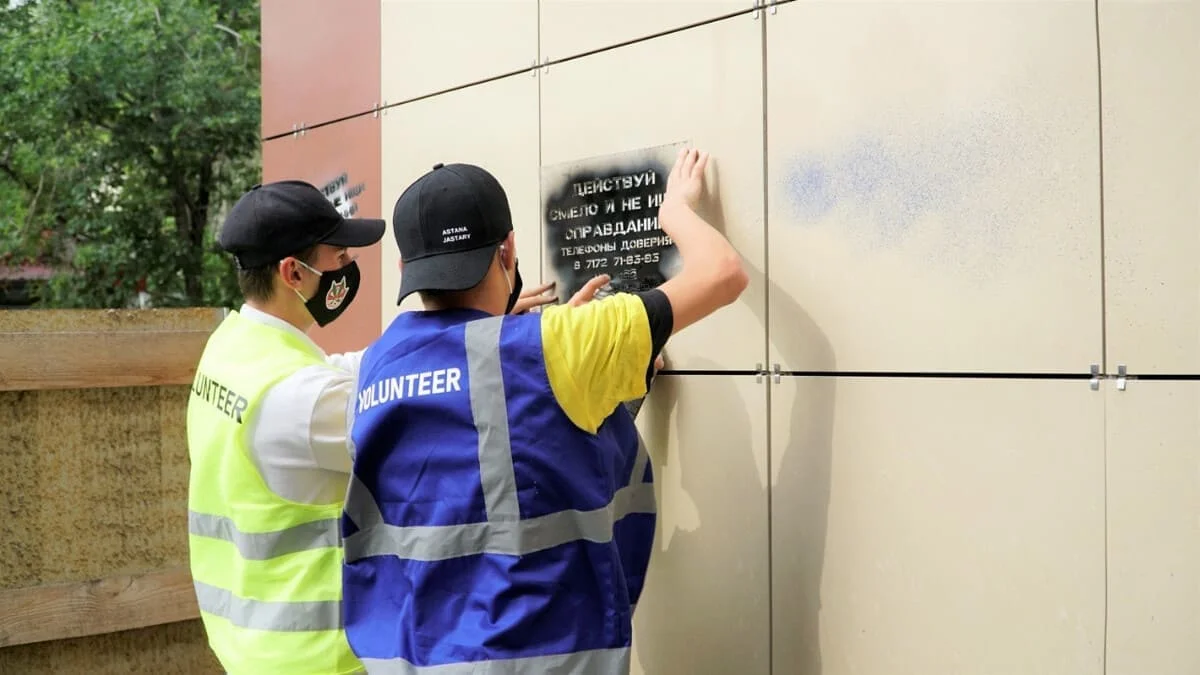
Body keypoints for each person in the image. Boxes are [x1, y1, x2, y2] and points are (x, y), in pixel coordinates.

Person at [342, 148, 748, 672]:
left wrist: (535, 345)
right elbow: (722, 273)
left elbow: (477, 431)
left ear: (405, 269)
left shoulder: (376, 365)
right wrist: (675, 212)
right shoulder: (557, 344)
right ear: (507, 251)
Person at [184, 180, 601, 675]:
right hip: (321, 659)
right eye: (338, 256)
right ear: (294, 272)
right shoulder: (302, 401)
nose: (347, 267)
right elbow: (438, 415)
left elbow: (356, 369)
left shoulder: (233, 351)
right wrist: (550, 355)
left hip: (251, 644)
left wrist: (480, 327)